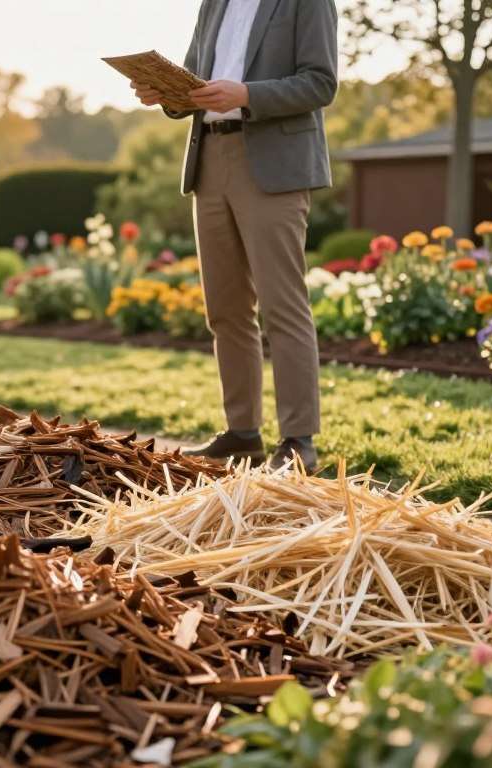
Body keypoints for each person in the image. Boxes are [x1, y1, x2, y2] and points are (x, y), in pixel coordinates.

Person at [131, 0, 338, 471]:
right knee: (225, 310)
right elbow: (193, 80)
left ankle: (298, 441)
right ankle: (242, 433)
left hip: (273, 164)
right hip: (209, 161)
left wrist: (245, 94)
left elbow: (321, 82)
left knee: (282, 305)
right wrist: (164, 93)